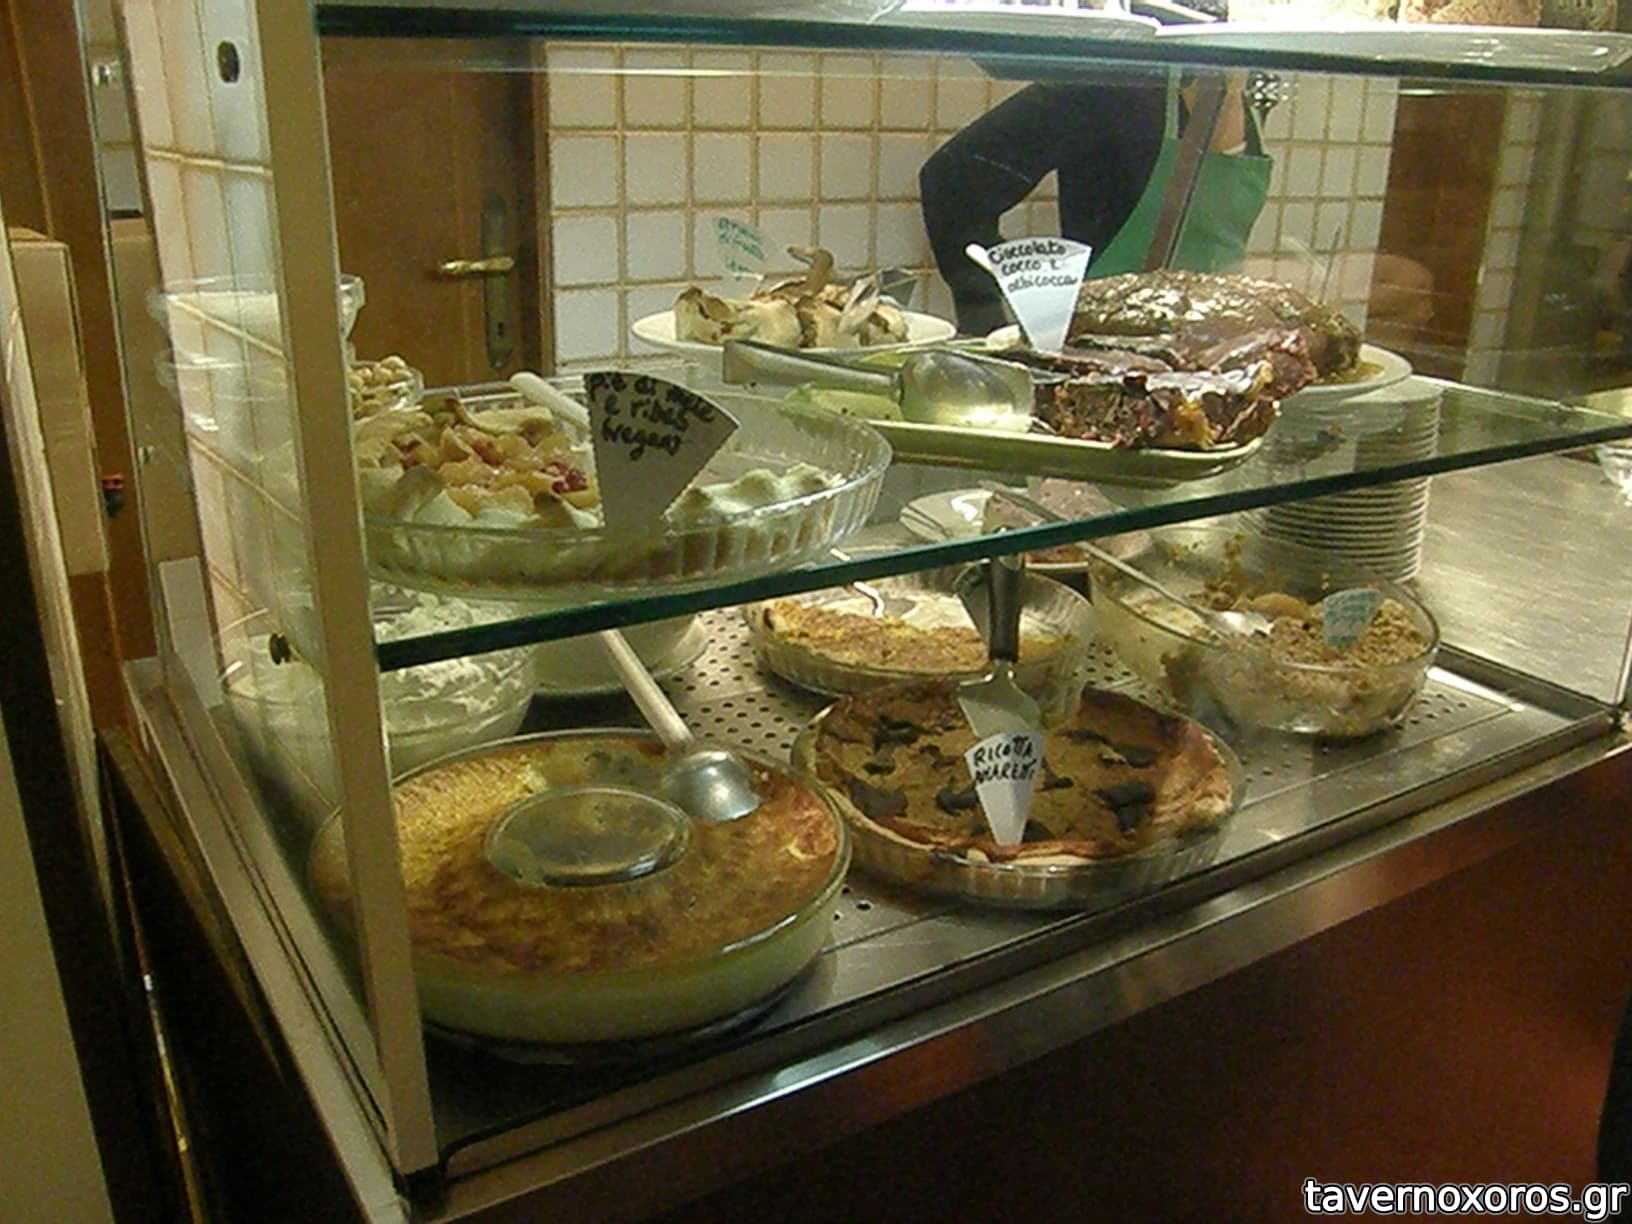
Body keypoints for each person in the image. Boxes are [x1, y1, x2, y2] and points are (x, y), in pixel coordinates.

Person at [919, 71, 1271, 336]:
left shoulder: (1246, 94)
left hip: (1222, 355)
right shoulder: (1110, 87)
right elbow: (950, 183)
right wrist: (989, 317)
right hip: (1106, 363)